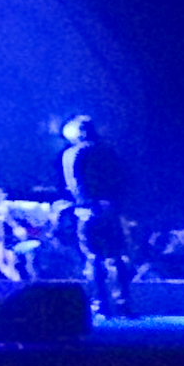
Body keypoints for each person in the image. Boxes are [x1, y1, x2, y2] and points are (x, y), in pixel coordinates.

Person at [61, 114, 137, 318]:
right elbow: (123, 178)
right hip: (110, 210)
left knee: (93, 257)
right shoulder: (108, 151)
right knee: (115, 257)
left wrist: (87, 202)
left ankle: (101, 304)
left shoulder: (72, 153)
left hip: (87, 210)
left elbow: (75, 182)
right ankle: (123, 303)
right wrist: (114, 203)